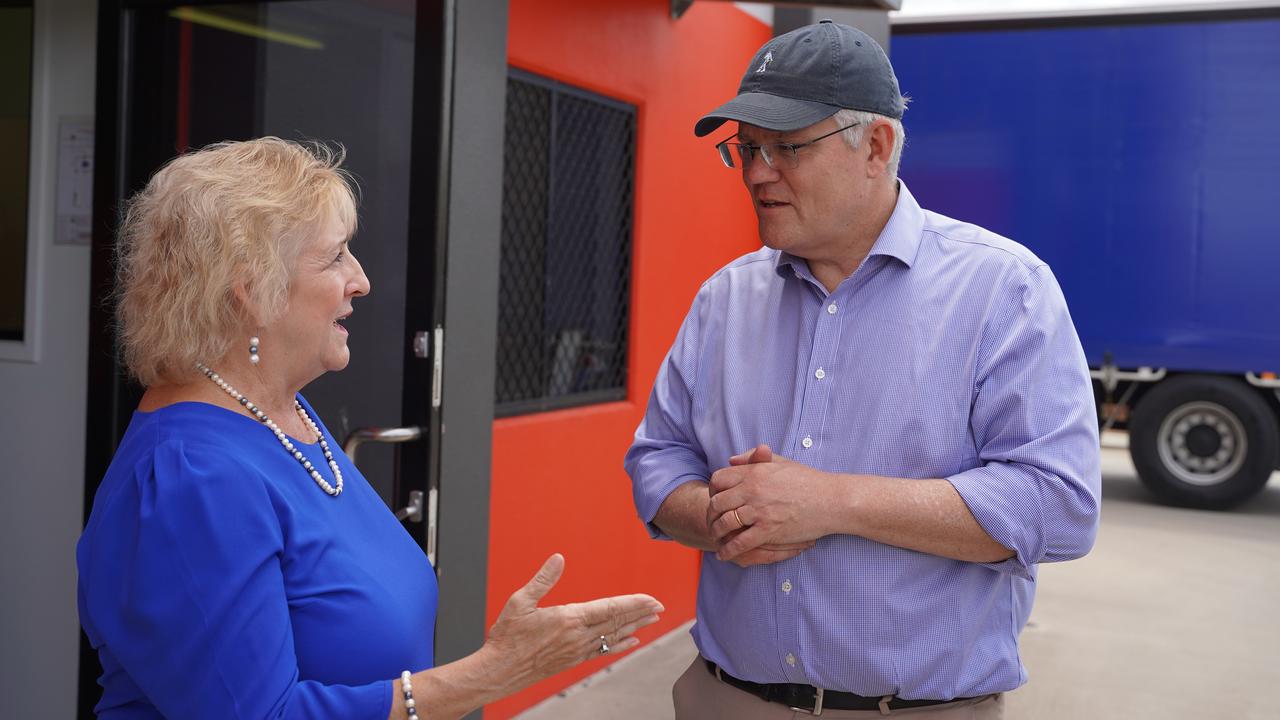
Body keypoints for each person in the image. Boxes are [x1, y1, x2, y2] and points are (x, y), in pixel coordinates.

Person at [77, 137, 663, 720]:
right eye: (335, 257)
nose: (361, 280)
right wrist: (493, 673)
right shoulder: (192, 477)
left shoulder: (285, 416)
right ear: (251, 291)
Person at [625, 20, 1101, 719]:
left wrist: (829, 503)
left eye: (786, 147)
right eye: (748, 148)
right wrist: (730, 517)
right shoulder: (725, 298)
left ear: (876, 145)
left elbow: (1058, 506)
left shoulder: (1003, 289)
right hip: (726, 698)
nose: (758, 172)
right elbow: (657, 459)